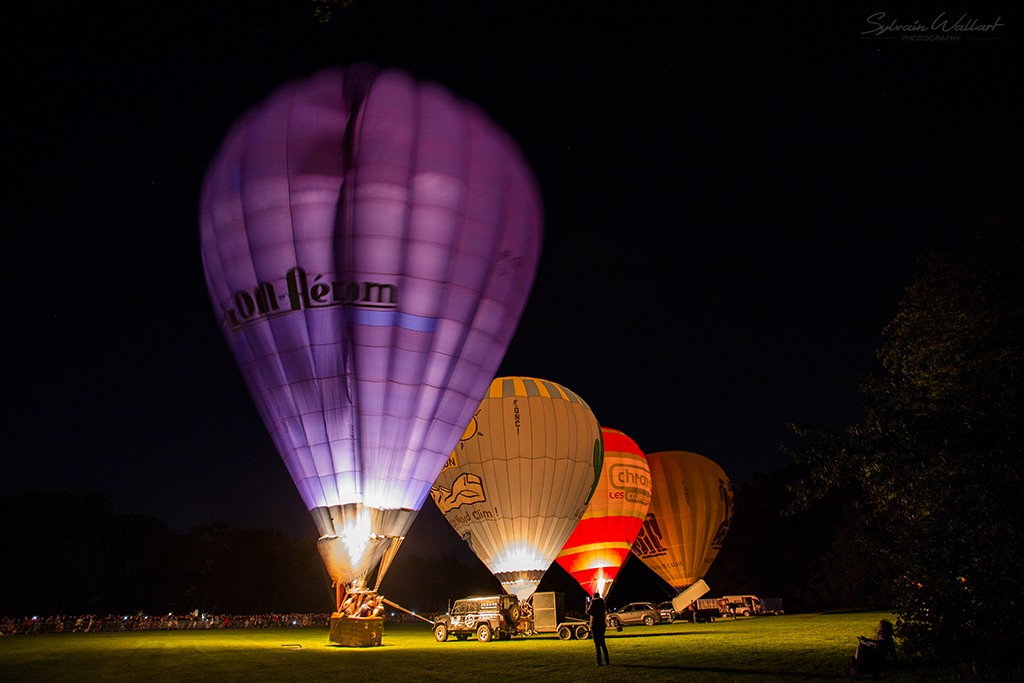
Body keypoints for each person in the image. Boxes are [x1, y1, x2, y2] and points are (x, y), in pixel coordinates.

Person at [586, 592, 610, 666]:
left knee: (597, 645)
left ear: (593, 596)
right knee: (603, 644)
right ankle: (607, 661)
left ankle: (599, 662)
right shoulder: (602, 602)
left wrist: (587, 604)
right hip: (602, 625)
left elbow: (588, 612)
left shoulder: (593, 601)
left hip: (595, 626)